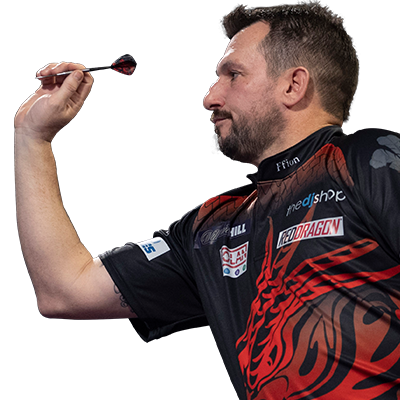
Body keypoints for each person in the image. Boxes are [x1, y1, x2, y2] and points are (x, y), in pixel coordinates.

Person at [14, 3, 400, 399]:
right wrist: (30, 138)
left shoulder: (373, 161)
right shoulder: (211, 230)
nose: (209, 98)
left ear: (293, 85)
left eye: (233, 75)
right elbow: (66, 290)